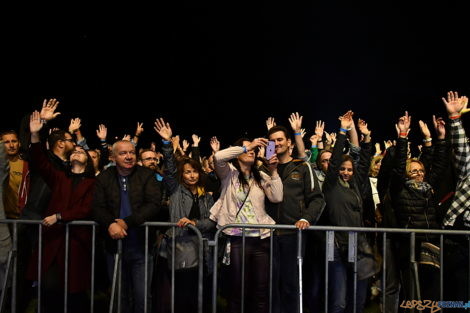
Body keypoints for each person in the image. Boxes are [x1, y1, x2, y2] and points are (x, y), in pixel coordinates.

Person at [27, 111, 96, 313]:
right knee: (49, 287)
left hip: (77, 243)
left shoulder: (94, 183)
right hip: (53, 241)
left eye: (81, 152)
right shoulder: (59, 178)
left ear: (88, 161)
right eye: (75, 151)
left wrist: (59, 216)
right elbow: (39, 161)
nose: (76, 152)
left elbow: (87, 208)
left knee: (74, 292)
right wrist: (34, 136)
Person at [210, 137, 283, 313]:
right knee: (237, 288)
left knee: (260, 289)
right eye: (247, 149)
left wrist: (273, 171)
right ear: (238, 154)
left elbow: (277, 197)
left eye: (252, 150)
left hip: (260, 239)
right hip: (236, 239)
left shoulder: (261, 175)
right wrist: (247, 146)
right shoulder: (229, 173)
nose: (251, 151)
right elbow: (218, 157)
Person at [154, 118, 215, 313]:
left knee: (200, 294)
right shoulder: (175, 190)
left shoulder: (205, 195)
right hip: (180, 248)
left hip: (201, 249)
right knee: (181, 293)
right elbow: (170, 170)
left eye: (195, 172)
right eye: (187, 172)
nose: (192, 175)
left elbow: (211, 221)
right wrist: (166, 143)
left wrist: (195, 223)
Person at [92, 139, 161, 313]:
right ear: (113, 157)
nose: (129, 156)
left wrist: (125, 222)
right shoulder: (104, 177)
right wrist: (110, 224)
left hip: (141, 246)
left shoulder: (146, 175)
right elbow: (97, 206)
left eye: (131, 152)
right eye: (123, 153)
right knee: (118, 295)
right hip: (113, 247)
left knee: (142, 296)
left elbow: (154, 204)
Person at [390, 111, 448, 303]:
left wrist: (438, 138)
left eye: (421, 170)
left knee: (431, 292)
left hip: (430, 244)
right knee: (411, 295)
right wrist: (403, 137)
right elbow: (398, 166)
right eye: (413, 171)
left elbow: (438, 165)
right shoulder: (400, 189)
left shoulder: (428, 187)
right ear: (407, 174)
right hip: (409, 246)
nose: (418, 173)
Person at [267, 122, 325, 313]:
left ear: (289, 142)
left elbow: (317, 199)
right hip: (267, 235)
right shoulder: (264, 169)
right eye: (272, 141)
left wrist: (306, 218)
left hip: (293, 234)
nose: (276, 144)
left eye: (280, 139)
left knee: (291, 285)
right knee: (269, 285)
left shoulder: (302, 167)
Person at [322, 111, 374, 313]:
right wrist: (343, 130)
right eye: (343, 169)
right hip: (335, 243)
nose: (346, 172)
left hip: (358, 242)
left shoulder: (356, 187)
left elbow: (364, 160)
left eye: (349, 170)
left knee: (359, 298)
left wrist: (366, 138)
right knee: (339, 299)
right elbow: (334, 161)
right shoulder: (331, 185)